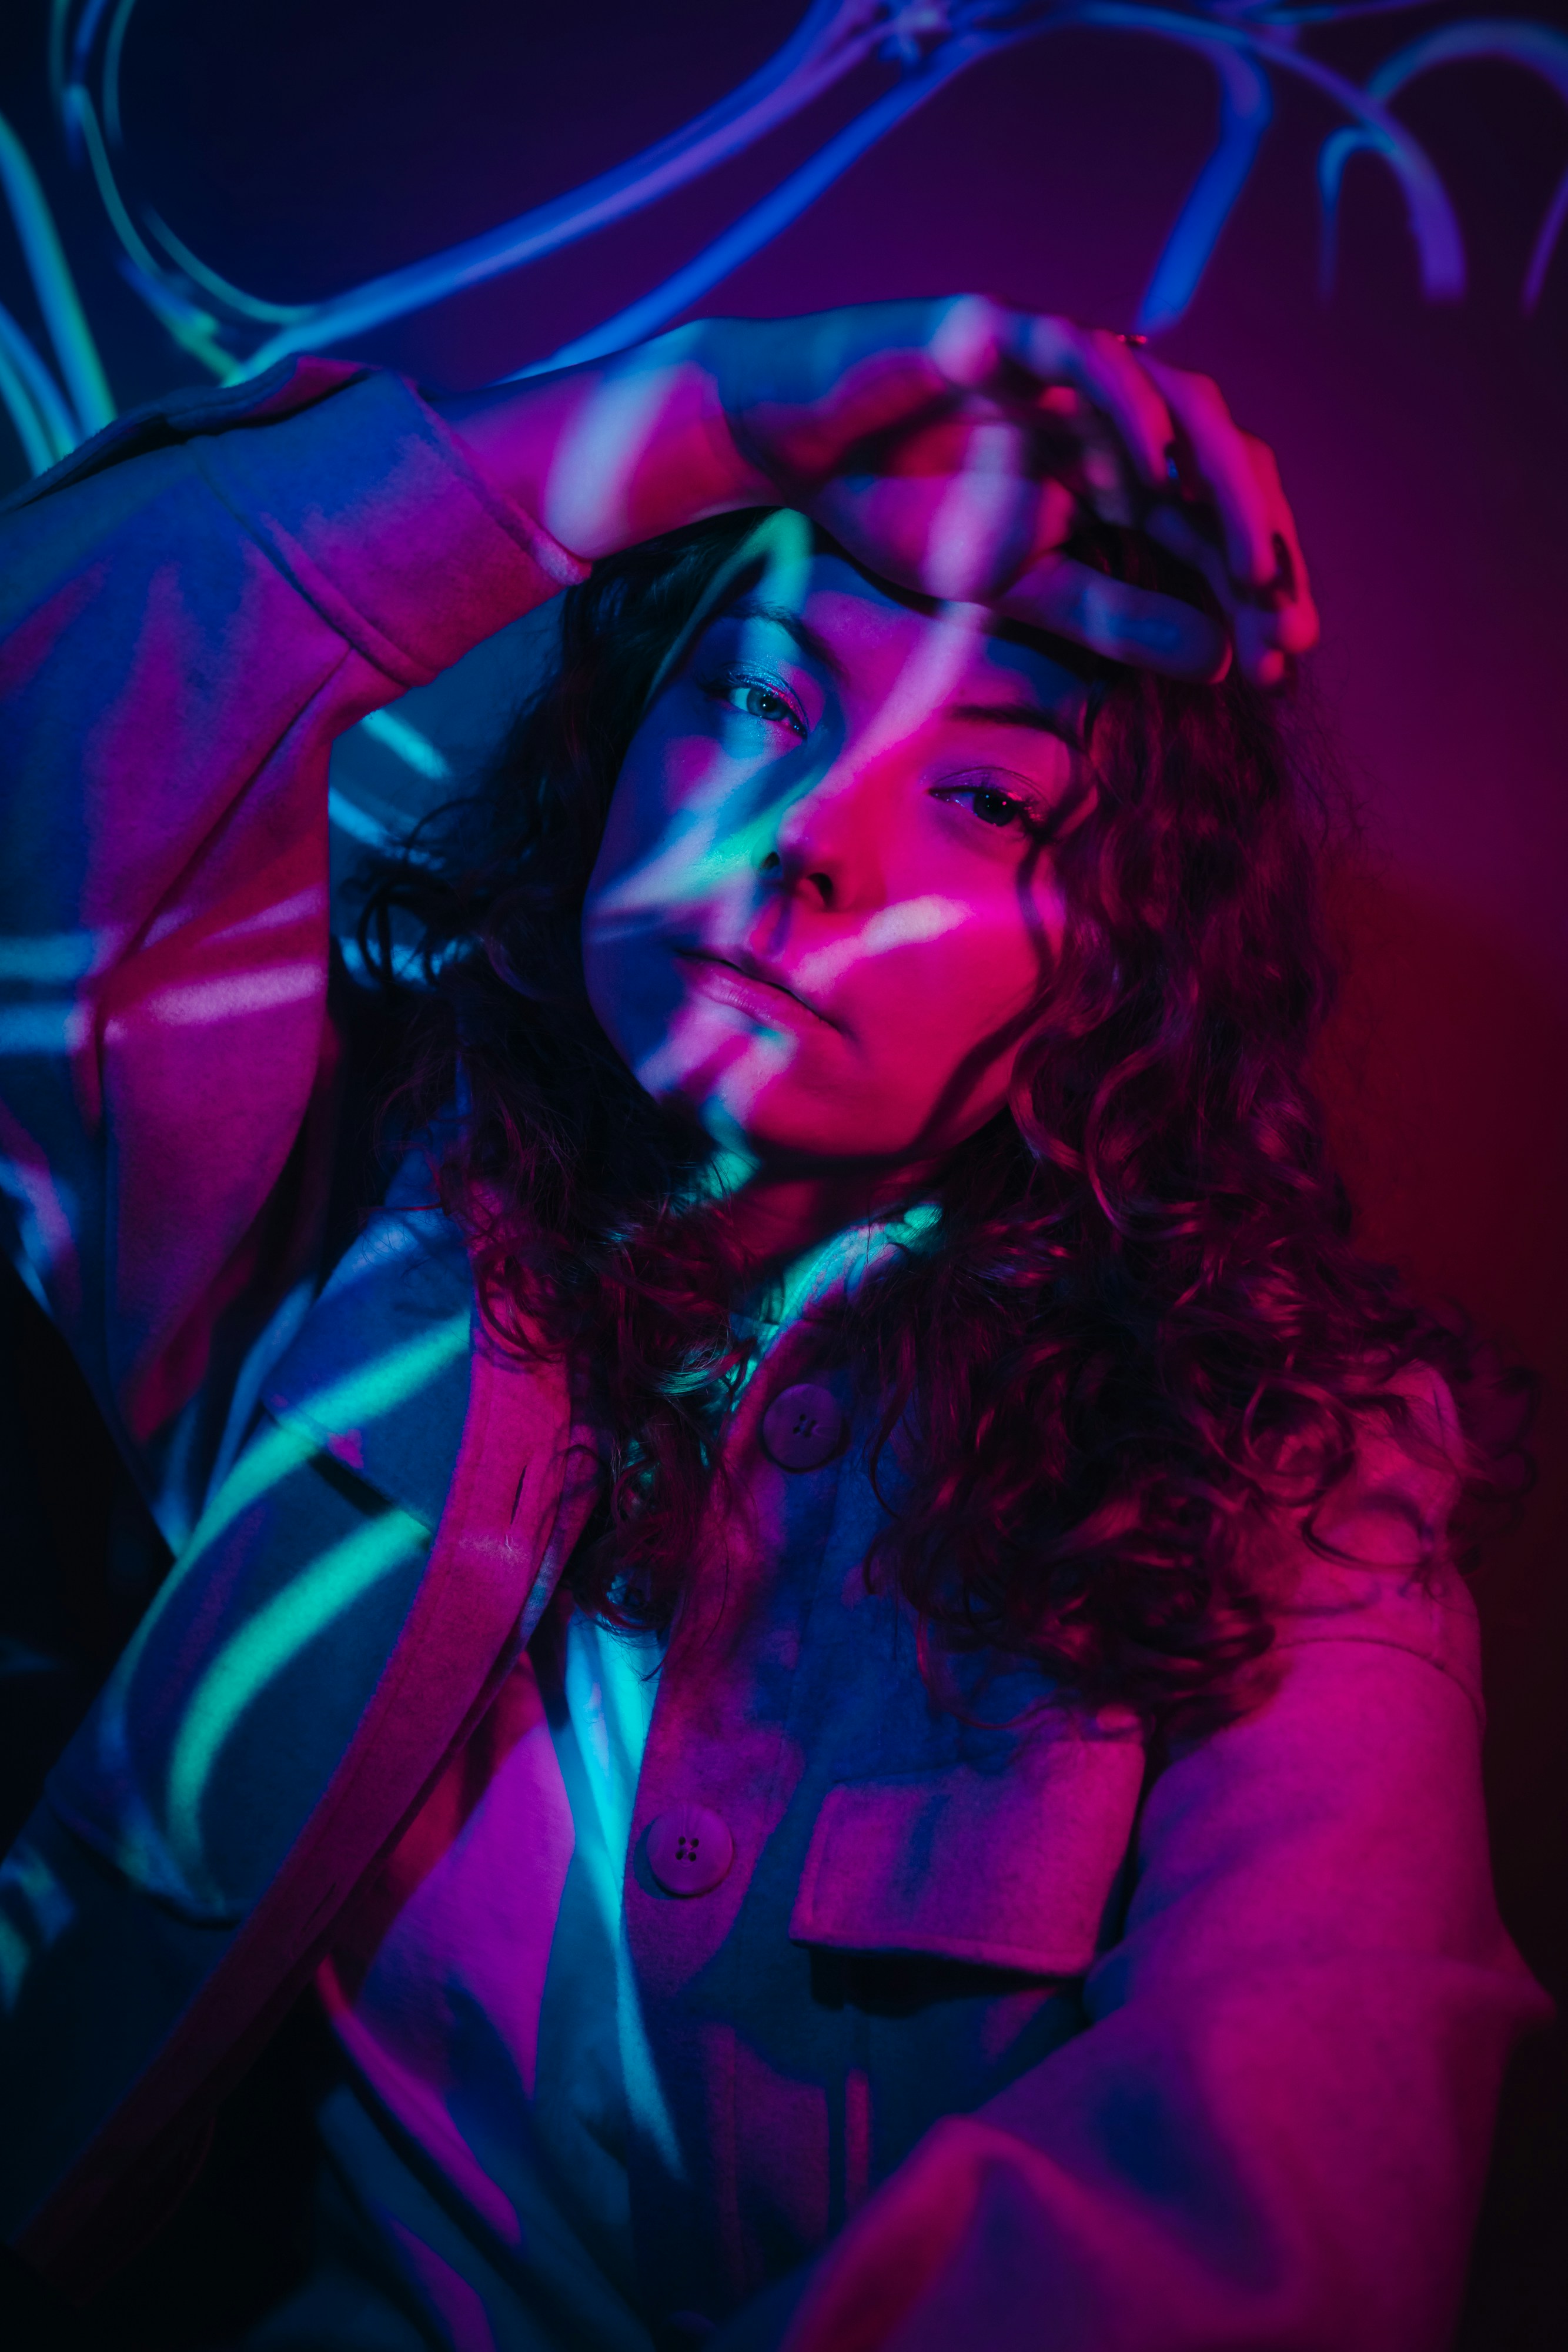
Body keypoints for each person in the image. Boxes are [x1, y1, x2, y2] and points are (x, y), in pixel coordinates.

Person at [0, 298, 1547, 2352]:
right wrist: (728, 414)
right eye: (753, 699)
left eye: (991, 805)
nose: (806, 846)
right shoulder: (323, 1229)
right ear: (617, 742)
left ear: (1115, 962)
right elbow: (62, 673)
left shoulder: (1295, 1456)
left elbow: (1291, 2199)